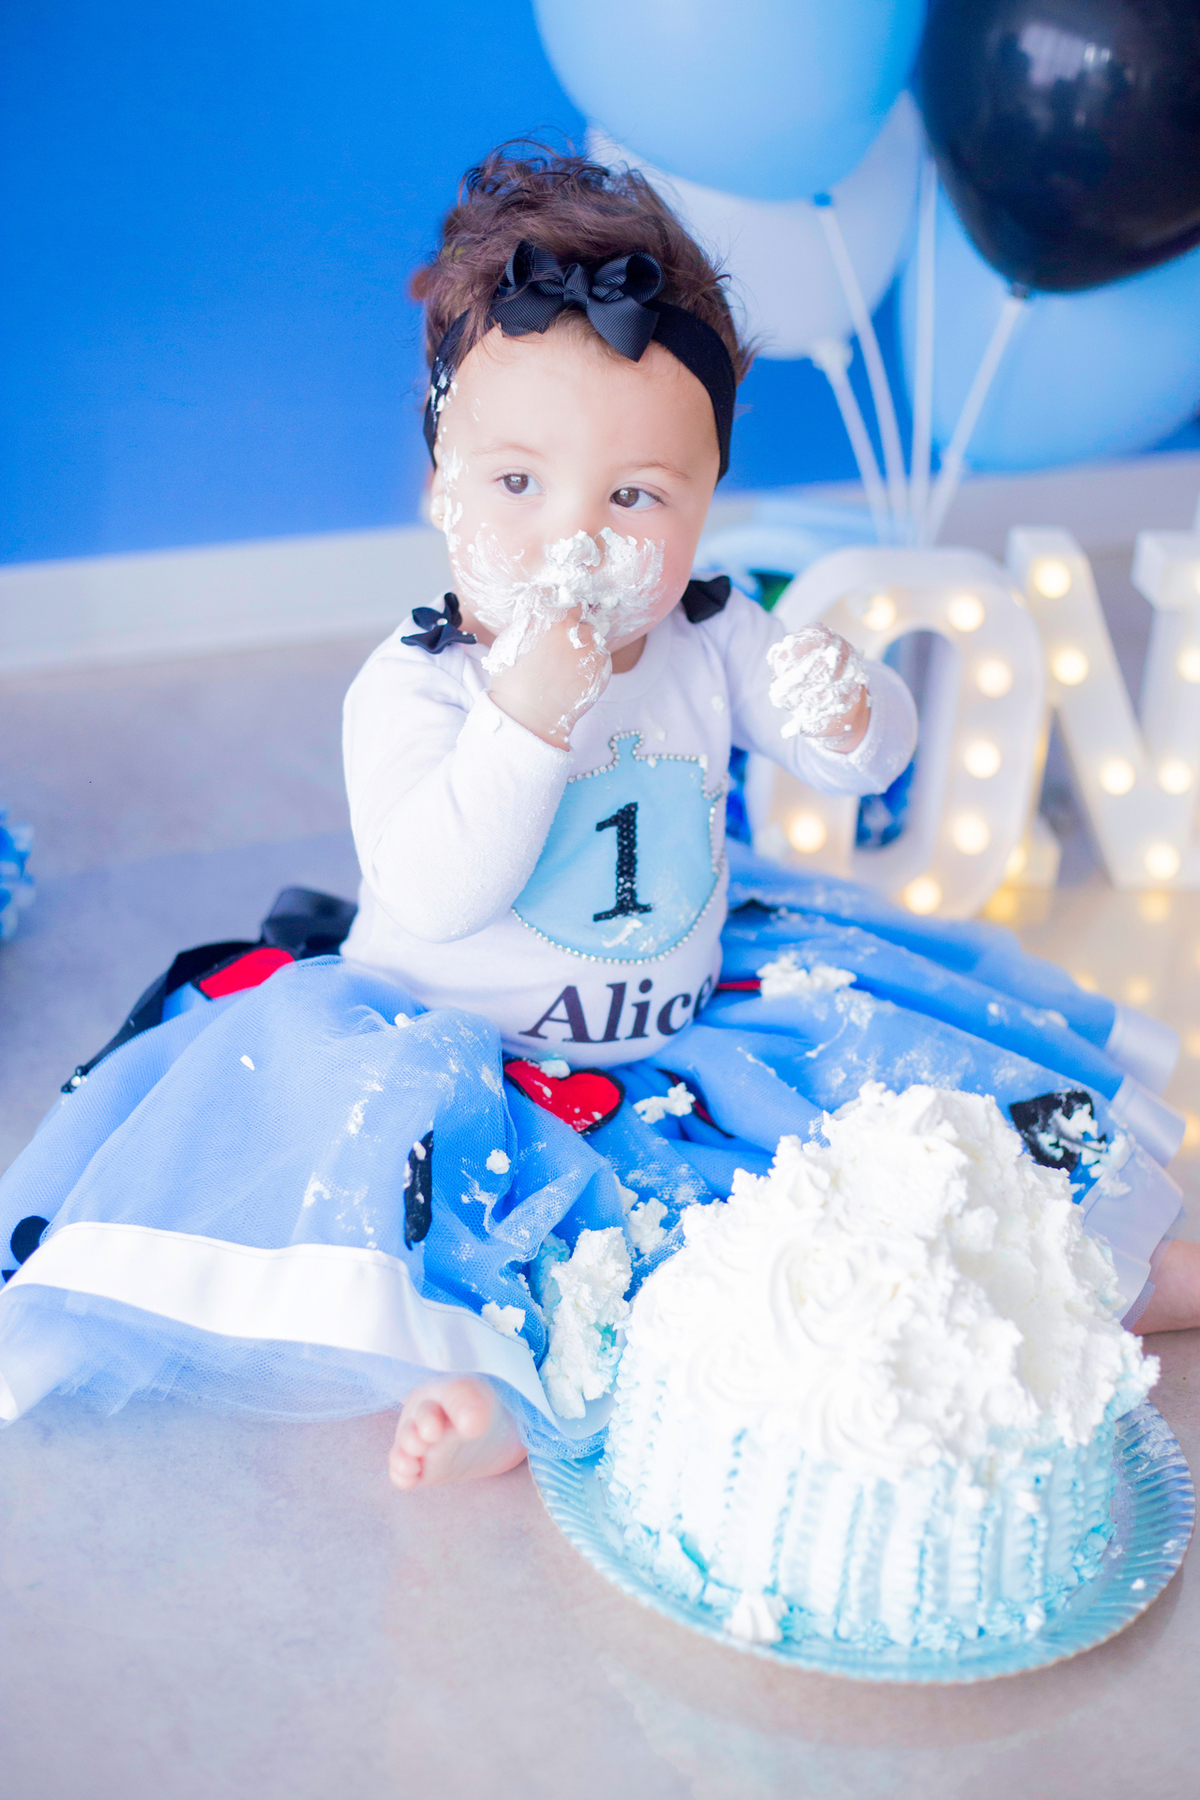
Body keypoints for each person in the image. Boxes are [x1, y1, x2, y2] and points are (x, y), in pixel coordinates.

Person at [2, 148, 1197, 1487]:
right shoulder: (416, 686)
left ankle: (1107, 1275)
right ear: (440, 485)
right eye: (518, 484)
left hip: (688, 1033)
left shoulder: (711, 635)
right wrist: (523, 720)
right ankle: (500, 1390)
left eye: (635, 497)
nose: (574, 535)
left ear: (702, 507)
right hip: (465, 1050)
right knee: (504, 1238)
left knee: (885, 1186)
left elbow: (868, 766)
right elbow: (437, 886)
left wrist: (850, 709)